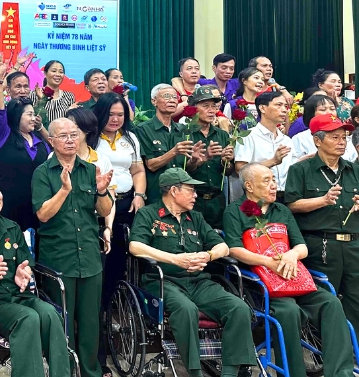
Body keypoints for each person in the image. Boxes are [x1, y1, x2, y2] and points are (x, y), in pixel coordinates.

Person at [223, 163, 355, 377]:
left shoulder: (281, 210)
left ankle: (341, 373)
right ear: (249, 186)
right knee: (288, 311)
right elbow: (234, 249)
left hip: (294, 278)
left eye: (274, 180)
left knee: (330, 303)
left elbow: (301, 246)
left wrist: (292, 255)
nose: (273, 185)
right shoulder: (235, 212)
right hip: (262, 285)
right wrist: (268, 262)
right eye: (266, 181)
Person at [129, 168, 257, 377]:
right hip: (164, 282)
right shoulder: (149, 214)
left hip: (199, 282)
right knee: (186, 309)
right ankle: (195, 371)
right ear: (173, 191)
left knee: (238, 308)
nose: (196, 195)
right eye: (190, 190)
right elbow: (135, 246)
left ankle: (230, 373)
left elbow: (223, 247)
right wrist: (175, 259)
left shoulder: (195, 217)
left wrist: (208, 255)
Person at [0, 178, 71, 377]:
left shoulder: (12, 228)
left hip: (21, 296)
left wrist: (24, 272)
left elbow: (26, 265)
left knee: (50, 314)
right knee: (28, 318)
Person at [32, 117, 114, 377]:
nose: (70, 140)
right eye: (63, 136)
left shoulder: (90, 170)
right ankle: (64, 371)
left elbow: (104, 211)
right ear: (51, 141)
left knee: (91, 323)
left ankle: (90, 372)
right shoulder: (43, 173)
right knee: (62, 322)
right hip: (59, 257)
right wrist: (64, 190)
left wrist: (101, 191)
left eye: (74, 134)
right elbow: (43, 214)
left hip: (89, 257)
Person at [286, 114, 359, 329]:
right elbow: (292, 205)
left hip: (354, 244)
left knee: (356, 300)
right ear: (317, 140)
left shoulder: (354, 169)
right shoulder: (300, 169)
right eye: (335, 137)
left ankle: (355, 348)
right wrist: (323, 200)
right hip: (322, 245)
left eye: (344, 137)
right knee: (326, 301)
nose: (341, 142)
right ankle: (325, 346)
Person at [90, 92, 146, 360]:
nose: (115, 119)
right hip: (99, 207)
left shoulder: (130, 138)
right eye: (111, 114)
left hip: (127, 205)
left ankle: (114, 309)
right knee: (102, 262)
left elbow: (138, 171)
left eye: (120, 114)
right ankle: (98, 315)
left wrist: (140, 194)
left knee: (119, 262)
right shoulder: (91, 138)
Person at [0, 57, 50, 231]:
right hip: (10, 209)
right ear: (17, 116)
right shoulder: (4, 136)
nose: (33, 118)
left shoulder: (40, 142)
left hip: (38, 208)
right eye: (29, 115)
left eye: (33, 114)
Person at [135, 83, 195, 204]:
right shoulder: (143, 129)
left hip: (181, 195)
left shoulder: (184, 129)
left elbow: (188, 167)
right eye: (167, 96)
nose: (172, 100)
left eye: (175, 97)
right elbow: (151, 165)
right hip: (157, 195)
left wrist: (196, 160)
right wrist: (174, 152)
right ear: (154, 101)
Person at [184, 86, 234, 228]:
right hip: (192, 199)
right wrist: (200, 160)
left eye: (214, 106)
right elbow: (181, 169)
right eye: (205, 106)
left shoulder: (222, 134)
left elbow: (229, 171)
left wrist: (226, 162)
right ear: (193, 108)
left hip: (217, 200)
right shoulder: (184, 134)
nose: (211, 110)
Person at [234, 91, 293, 203]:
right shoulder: (248, 136)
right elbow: (240, 170)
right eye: (278, 105)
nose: (284, 110)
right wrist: (273, 161)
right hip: (259, 198)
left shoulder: (286, 140)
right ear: (262, 108)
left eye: (285, 106)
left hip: (286, 197)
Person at [291, 94, 357, 163]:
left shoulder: (345, 136)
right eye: (323, 109)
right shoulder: (300, 139)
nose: (329, 112)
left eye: (332, 109)